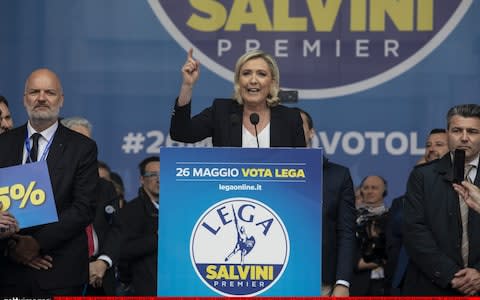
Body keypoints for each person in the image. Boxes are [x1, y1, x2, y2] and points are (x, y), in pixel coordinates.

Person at [0, 68, 99, 296]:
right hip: (8, 268)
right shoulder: (3, 143)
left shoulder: (82, 147)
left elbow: (83, 208)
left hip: (59, 269)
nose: (41, 98)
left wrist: (35, 244)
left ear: (61, 100)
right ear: (25, 99)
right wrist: (13, 246)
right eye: (34, 92)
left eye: (50, 92)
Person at [403, 103, 480, 295]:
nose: (464, 137)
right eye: (456, 130)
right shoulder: (422, 176)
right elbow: (415, 231)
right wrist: (452, 275)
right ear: (447, 133)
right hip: (434, 285)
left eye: (472, 131)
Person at [170, 49, 306, 147]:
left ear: (272, 82)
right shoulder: (221, 111)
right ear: (238, 81)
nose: (253, 80)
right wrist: (187, 85)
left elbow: (302, 167)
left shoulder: (290, 118)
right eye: (246, 73)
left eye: (261, 74)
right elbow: (181, 133)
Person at [295, 107, 356, 297]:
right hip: (271, 281)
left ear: (311, 132)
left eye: (298, 125)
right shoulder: (261, 173)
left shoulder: (338, 175)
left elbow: (346, 232)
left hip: (320, 284)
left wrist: (342, 282)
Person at [61, 116, 123, 295]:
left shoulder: (105, 186)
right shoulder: (48, 184)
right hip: (63, 275)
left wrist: (103, 261)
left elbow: (116, 229)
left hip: (101, 276)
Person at [385, 128, 450, 295]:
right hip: (407, 276)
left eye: (439, 144)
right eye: (428, 145)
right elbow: (400, 224)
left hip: (447, 277)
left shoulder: (462, 188)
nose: (431, 149)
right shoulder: (407, 195)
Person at [118, 156, 159, 295]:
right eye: (153, 175)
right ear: (142, 179)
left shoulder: (178, 209)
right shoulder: (130, 211)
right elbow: (122, 250)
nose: (159, 179)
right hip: (143, 288)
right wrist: (157, 238)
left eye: (163, 174)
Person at [350, 175, 389, 296]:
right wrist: (384, 260)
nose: (369, 191)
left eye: (374, 187)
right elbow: (352, 259)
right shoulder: (350, 220)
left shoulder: (393, 218)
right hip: (357, 285)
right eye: (366, 188)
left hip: (387, 284)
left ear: (384, 191)